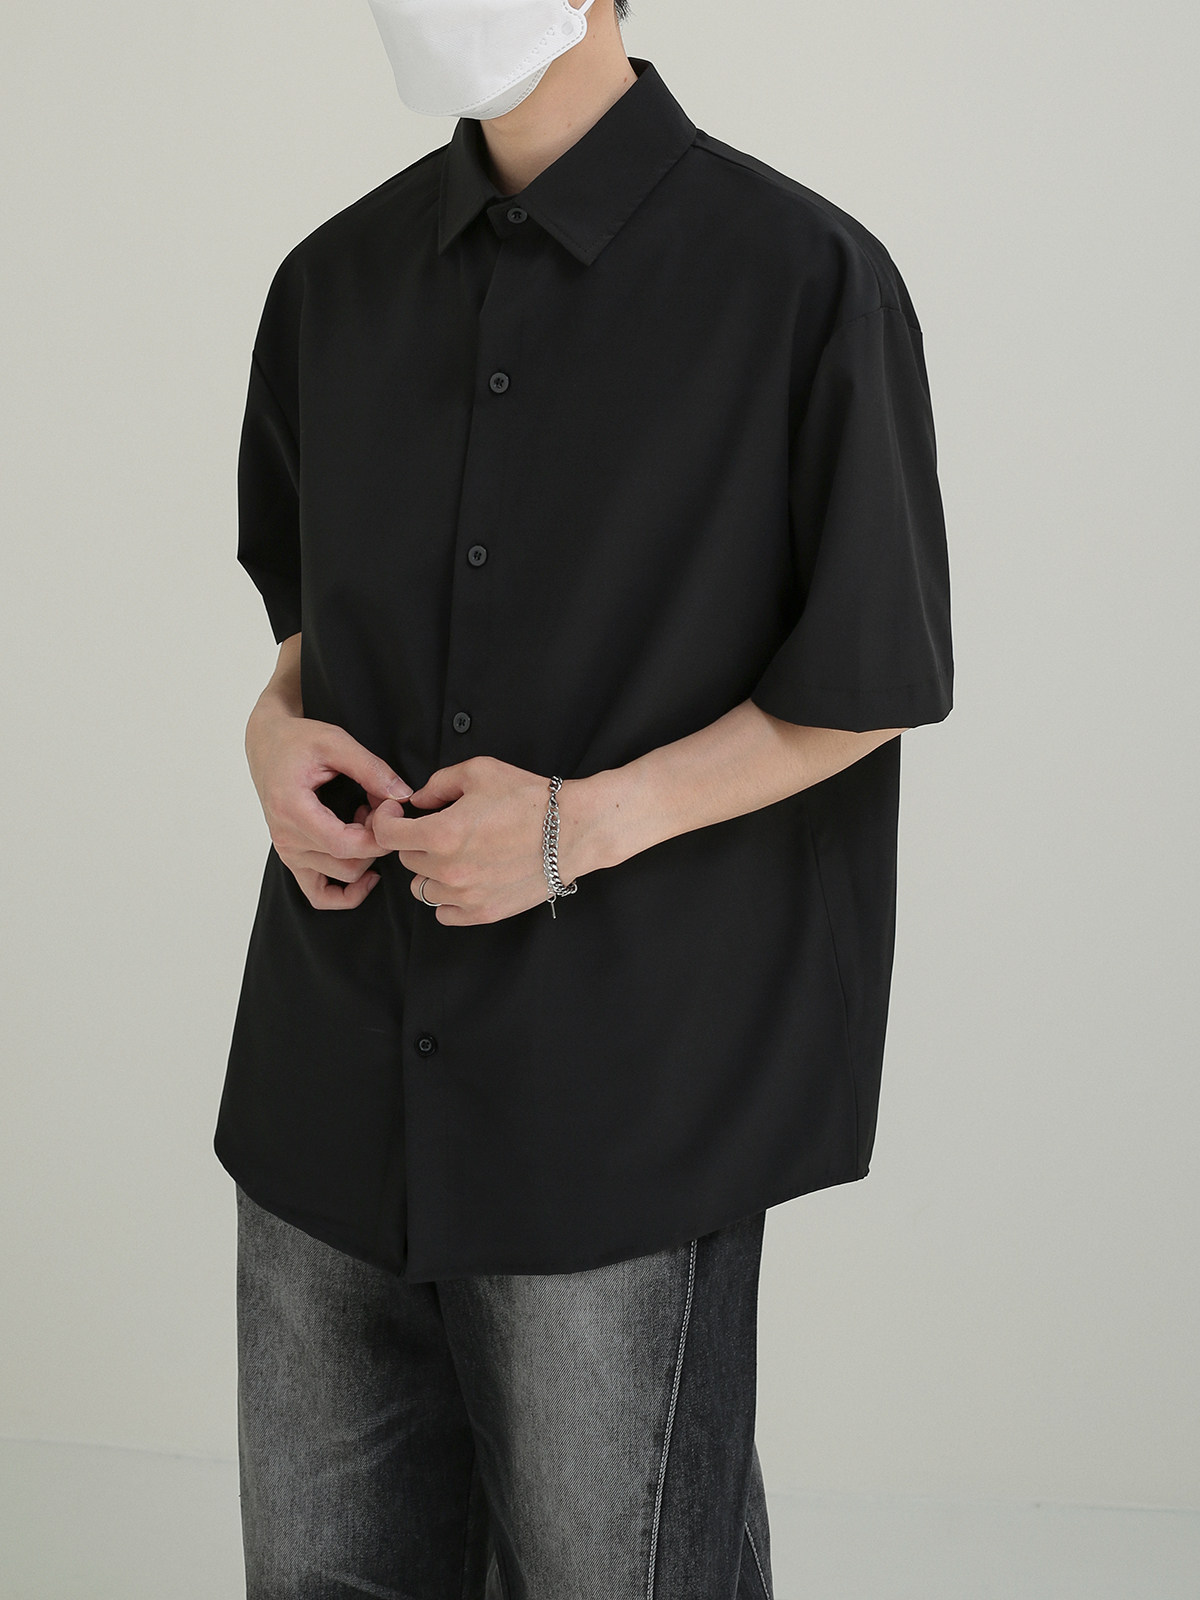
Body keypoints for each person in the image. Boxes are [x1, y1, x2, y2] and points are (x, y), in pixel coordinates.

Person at [214, 1, 954, 1595]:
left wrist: (573, 830)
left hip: (619, 1106)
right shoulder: (331, 281)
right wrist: (271, 736)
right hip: (328, 1087)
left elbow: (869, 682)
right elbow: (310, 630)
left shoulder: (802, 281)